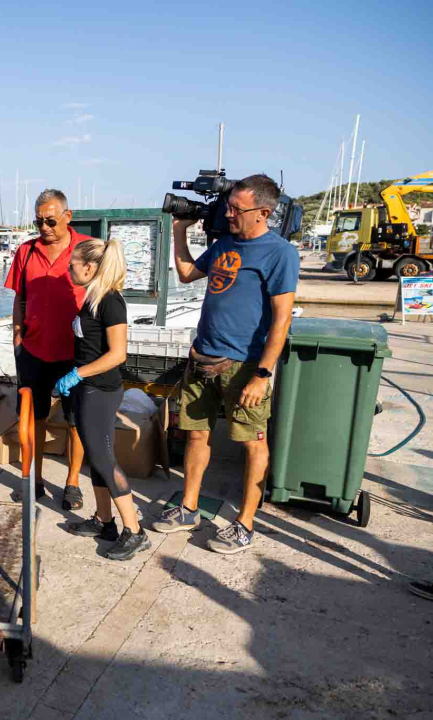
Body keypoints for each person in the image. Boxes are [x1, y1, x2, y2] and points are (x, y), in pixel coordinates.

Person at [150, 174, 300, 554]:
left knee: (252, 442)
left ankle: (245, 524)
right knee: (196, 434)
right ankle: (188, 508)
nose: (227, 213)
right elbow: (186, 274)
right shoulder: (225, 243)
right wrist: (180, 232)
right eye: (228, 205)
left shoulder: (279, 252)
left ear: (263, 212)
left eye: (236, 208)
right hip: (202, 357)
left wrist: (262, 375)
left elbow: (282, 320)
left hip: (244, 366)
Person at [54, 239, 151, 561]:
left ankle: (134, 530)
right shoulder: (91, 299)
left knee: (106, 460)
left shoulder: (110, 301)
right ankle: (104, 521)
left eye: (73, 264)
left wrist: (77, 375)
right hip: (86, 388)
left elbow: (117, 354)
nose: (69, 269)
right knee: (96, 459)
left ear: (90, 267)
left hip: (101, 391)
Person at [5, 189, 87, 506]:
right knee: (32, 418)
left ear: (68, 216)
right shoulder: (26, 252)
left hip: (75, 354)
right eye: (38, 221)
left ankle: (72, 483)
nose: (44, 227)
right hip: (34, 351)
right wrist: (16, 337)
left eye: (50, 220)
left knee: (75, 421)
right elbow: (19, 298)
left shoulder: (87, 250)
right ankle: (35, 478)